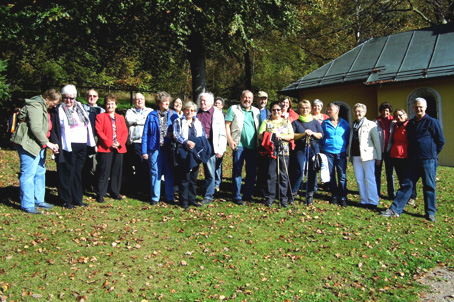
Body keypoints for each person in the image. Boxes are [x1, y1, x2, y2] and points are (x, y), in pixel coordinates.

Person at [381, 98, 445, 222]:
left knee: (429, 186)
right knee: (406, 185)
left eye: (420, 107)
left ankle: (430, 212)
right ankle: (395, 209)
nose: (418, 109)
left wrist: (432, 153)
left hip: (428, 160)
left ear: (425, 108)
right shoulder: (411, 124)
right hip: (412, 160)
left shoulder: (432, 122)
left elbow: (440, 141)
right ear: (413, 108)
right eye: (416, 107)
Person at [11, 89, 61, 214]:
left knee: (40, 171)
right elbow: (35, 128)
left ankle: (39, 199)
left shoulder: (43, 107)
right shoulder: (35, 106)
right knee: (28, 173)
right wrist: (48, 143)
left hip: (38, 145)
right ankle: (27, 203)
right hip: (28, 144)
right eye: (55, 102)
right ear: (48, 98)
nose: (55, 105)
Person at [51, 84, 96, 209]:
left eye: (71, 98)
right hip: (67, 145)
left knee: (77, 172)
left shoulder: (79, 107)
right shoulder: (58, 109)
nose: (69, 101)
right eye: (66, 98)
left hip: (82, 144)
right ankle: (65, 200)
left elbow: (86, 124)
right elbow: (55, 129)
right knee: (66, 172)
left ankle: (77, 198)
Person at [142, 91, 179, 205]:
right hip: (154, 148)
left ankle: (169, 197)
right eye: (164, 101)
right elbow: (145, 134)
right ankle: (155, 197)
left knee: (169, 172)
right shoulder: (151, 115)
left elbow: (179, 132)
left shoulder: (174, 115)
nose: (167, 103)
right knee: (155, 172)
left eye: (168, 100)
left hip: (168, 148)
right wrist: (144, 151)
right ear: (159, 103)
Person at [225, 90, 261, 205]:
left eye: (250, 98)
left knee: (251, 172)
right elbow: (227, 125)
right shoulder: (234, 109)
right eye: (245, 97)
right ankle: (236, 196)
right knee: (237, 171)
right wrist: (230, 140)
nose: (247, 100)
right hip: (238, 145)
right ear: (241, 98)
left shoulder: (256, 111)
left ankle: (247, 194)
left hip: (253, 146)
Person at [174, 101, 211, 209]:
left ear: (194, 111)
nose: (189, 112)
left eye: (192, 110)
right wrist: (186, 142)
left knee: (193, 178)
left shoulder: (198, 122)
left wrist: (196, 143)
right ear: (184, 110)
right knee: (184, 177)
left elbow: (203, 135)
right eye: (187, 109)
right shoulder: (178, 121)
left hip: (195, 152)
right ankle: (184, 201)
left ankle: (192, 199)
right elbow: (176, 135)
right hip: (184, 151)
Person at [258, 101, 294, 207]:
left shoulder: (286, 122)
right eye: (274, 110)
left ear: (281, 110)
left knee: (283, 175)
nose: (276, 112)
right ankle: (270, 197)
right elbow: (260, 135)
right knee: (271, 175)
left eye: (278, 109)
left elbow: (291, 135)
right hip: (271, 151)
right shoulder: (266, 121)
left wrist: (282, 137)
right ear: (271, 111)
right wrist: (271, 136)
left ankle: (283, 198)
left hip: (284, 151)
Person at [95, 94, 128, 203]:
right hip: (105, 148)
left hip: (119, 148)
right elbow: (99, 132)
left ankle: (115, 192)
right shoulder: (100, 117)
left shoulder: (120, 117)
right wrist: (109, 143)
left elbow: (124, 132)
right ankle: (100, 193)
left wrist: (120, 143)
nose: (110, 106)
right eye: (108, 104)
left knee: (116, 172)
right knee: (104, 171)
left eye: (112, 104)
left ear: (116, 105)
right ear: (105, 105)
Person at [348, 103, 381, 210]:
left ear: (364, 112)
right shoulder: (353, 125)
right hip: (356, 156)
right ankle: (364, 200)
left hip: (368, 155)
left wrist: (379, 157)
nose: (358, 113)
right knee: (359, 179)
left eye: (360, 111)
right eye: (356, 111)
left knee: (370, 178)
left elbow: (377, 142)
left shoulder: (371, 124)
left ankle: (373, 201)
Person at [196, 92, 227, 205]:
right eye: (201, 100)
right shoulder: (196, 112)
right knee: (193, 170)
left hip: (210, 145)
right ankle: (191, 193)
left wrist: (220, 149)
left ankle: (209, 195)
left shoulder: (217, 113)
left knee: (209, 171)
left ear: (210, 102)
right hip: (197, 145)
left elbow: (222, 133)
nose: (202, 102)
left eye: (205, 100)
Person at [291, 99, 323, 205]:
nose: (305, 110)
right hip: (300, 148)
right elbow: (292, 135)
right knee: (299, 171)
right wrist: (303, 134)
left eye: (307, 108)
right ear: (299, 109)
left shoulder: (315, 122)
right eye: (302, 108)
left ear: (310, 109)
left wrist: (312, 133)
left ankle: (310, 195)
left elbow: (320, 135)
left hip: (313, 148)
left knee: (312, 172)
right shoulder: (295, 122)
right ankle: (293, 193)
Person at [320, 103, 350, 207]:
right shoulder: (325, 123)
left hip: (341, 152)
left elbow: (347, 137)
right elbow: (322, 137)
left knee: (342, 175)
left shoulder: (344, 123)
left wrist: (344, 148)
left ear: (336, 111)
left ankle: (343, 196)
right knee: (331, 174)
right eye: (327, 110)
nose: (328, 111)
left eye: (330, 110)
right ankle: (334, 195)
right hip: (328, 152)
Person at [125, 93, 153, 196]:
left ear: (144, 100)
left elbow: (149, 123)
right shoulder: (129, 111)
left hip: (146, 142)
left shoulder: (150, 111)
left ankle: (146, 189)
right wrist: (142, 121)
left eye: (141, 99)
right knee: (137, 166)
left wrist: (136, 122)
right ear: (134, 101)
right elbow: (128, 120)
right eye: (137, 99)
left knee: (145, 165)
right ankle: (138, 189)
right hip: (134, 142)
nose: (139, 101)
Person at [387, 109, 417, 205]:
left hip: (406, 154)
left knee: (408, 177)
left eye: (400, 115)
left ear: (405, 115)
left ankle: (412, 196)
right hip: (395, 154)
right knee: (400, 176)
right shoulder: (395, 126)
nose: (398, 117)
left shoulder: (410, 125)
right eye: (396, 116)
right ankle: (404, 195)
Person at [81, 89, 105, 192]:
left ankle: (94, 185)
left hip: (97, 138)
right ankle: (84, 184)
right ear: (87, 97)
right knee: (84, 162)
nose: (92, 98)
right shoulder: (81, 108)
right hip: (83, 138)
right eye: (90, 95)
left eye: (94, 96)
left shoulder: (101, 110)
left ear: (97, 97)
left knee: (95, 163)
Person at [375, 102, 395, 199]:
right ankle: (376, 193)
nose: (385, 112)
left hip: (390, 150)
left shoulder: (394, 121)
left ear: (390, 111)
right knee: (377, 173)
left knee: (390, 173)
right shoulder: (376, 122)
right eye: (383, 110)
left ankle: (391, 193)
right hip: (379, 151)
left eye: (387, 110)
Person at [255, 90, 271, 198]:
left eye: (264, 99)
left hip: (266, 144)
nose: (262, 101)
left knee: (265, 167)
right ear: (257, 100)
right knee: (254, 167)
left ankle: (263, 188)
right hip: (254, 143)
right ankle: (255, 188)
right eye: (260, 98)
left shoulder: (270, 112)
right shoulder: (253, 111)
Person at [214, 97, 225, 192]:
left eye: (218, 103)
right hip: (212, 143)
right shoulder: (211, 115)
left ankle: (217, 183)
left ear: (222, 106)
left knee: (218, 164)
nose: (216, 105)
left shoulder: (224, 116)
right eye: (215, 103)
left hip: (221, 142)